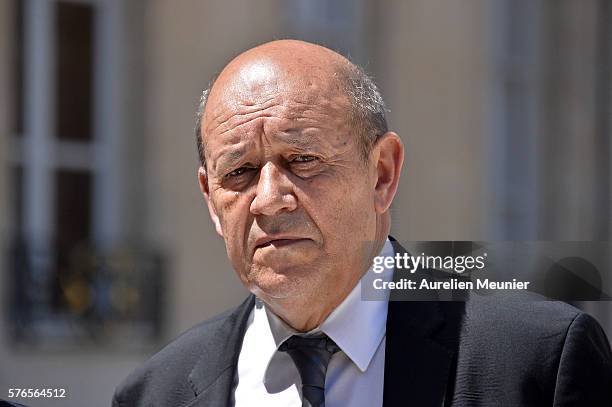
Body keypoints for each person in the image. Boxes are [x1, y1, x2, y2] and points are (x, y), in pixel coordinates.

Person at [112, 40, 612, 406]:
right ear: (210, 199)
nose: (268, 199)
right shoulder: (157, 393)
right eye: (239, 172)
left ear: (382, 175)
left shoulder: (534, 363)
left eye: (302, 160)